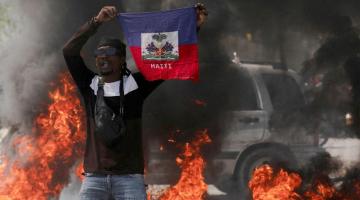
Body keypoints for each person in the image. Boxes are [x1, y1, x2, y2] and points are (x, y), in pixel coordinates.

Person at [62, 4, 207, 200]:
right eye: (99, 54)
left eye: (109, 53)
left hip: (129, 180)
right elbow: (69, 51)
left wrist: (193, 26)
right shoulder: (90, 85)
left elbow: (169, 57)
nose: (103, 57)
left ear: (122, 59)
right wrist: (96, 22)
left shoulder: (137, 85)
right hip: (94, 179)